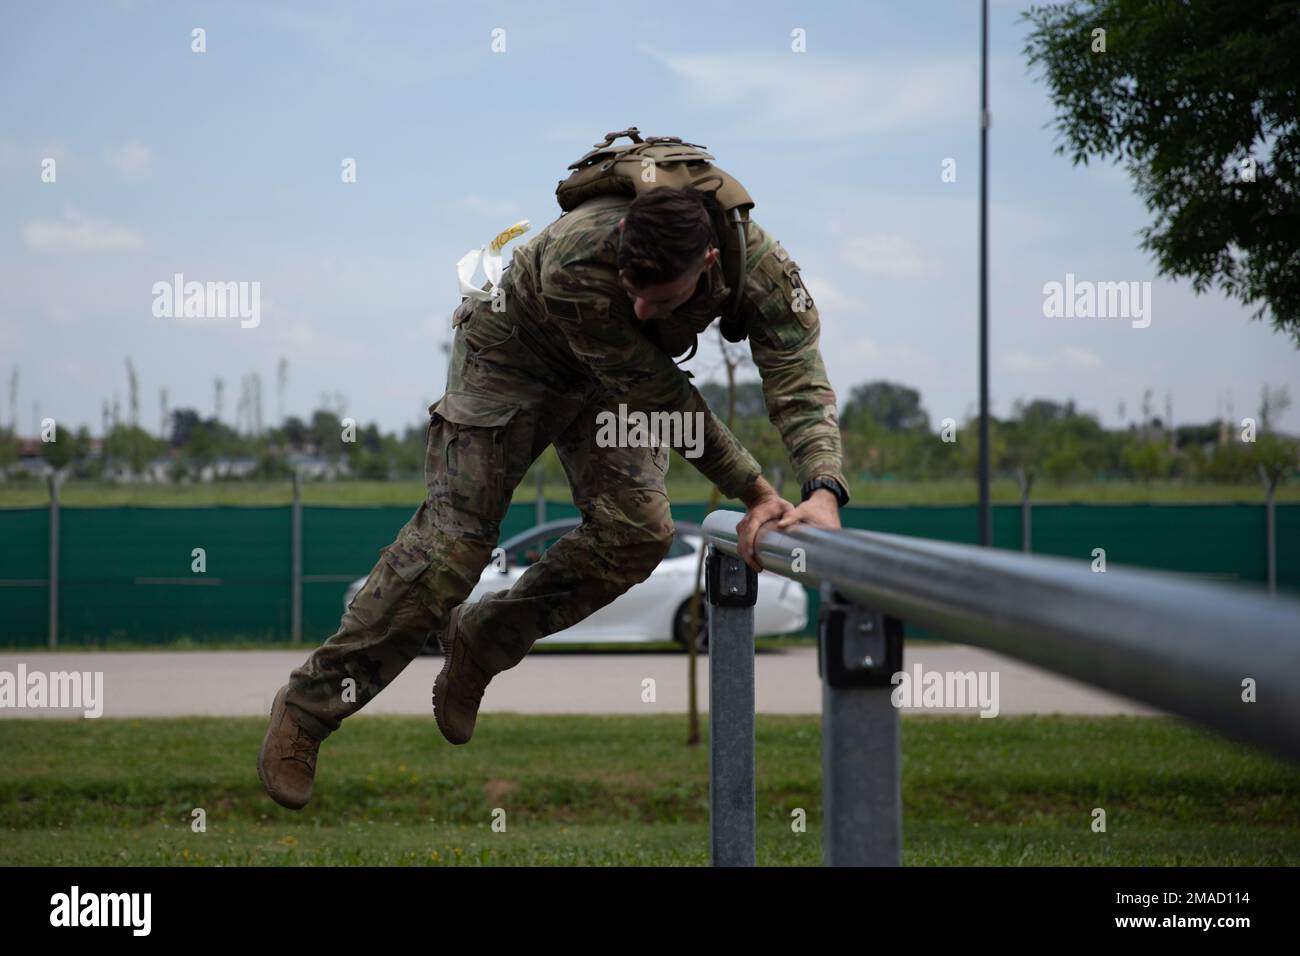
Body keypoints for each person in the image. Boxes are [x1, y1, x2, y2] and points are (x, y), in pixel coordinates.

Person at [258, 165, 848, 811]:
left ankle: (486, 639)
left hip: (614, 383)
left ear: (708, 260)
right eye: (634, 290)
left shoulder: (758, 265)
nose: (646, 309)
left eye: (665, 298)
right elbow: (661, 397)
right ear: (621, 237)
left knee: (638, 533)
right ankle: (310, 710)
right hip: (511, 359)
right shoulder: (576, 257)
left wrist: (821, 489)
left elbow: (796, 374)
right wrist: (757, 491)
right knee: (452, 549)